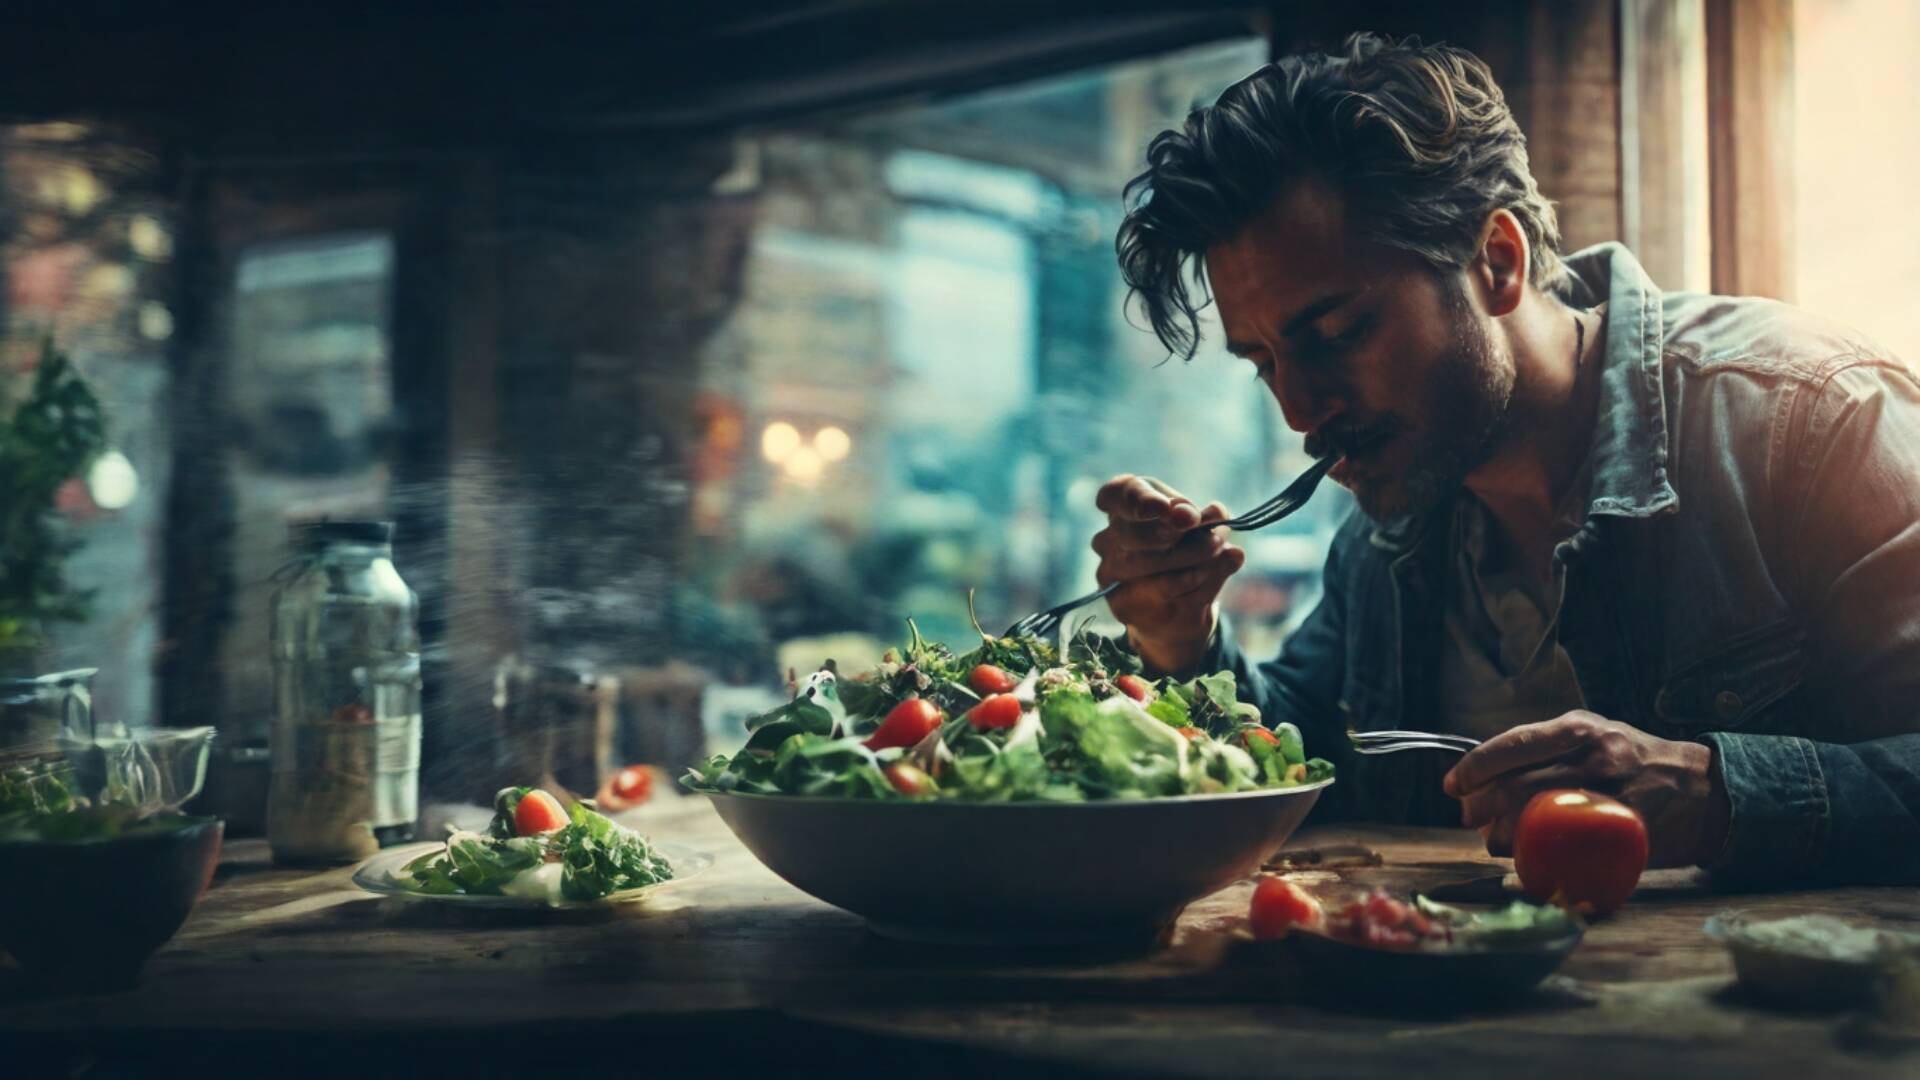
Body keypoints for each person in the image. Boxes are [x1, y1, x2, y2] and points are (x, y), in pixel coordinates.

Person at [1095, 32, 1920, 886]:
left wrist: (1719, 793)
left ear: (1497, 259)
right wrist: (1181, 641)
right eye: (1265, 362)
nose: (1300, 410)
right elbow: (1302, 759)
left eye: (1339, 334)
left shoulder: (1810, 417)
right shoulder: (1387, 526)